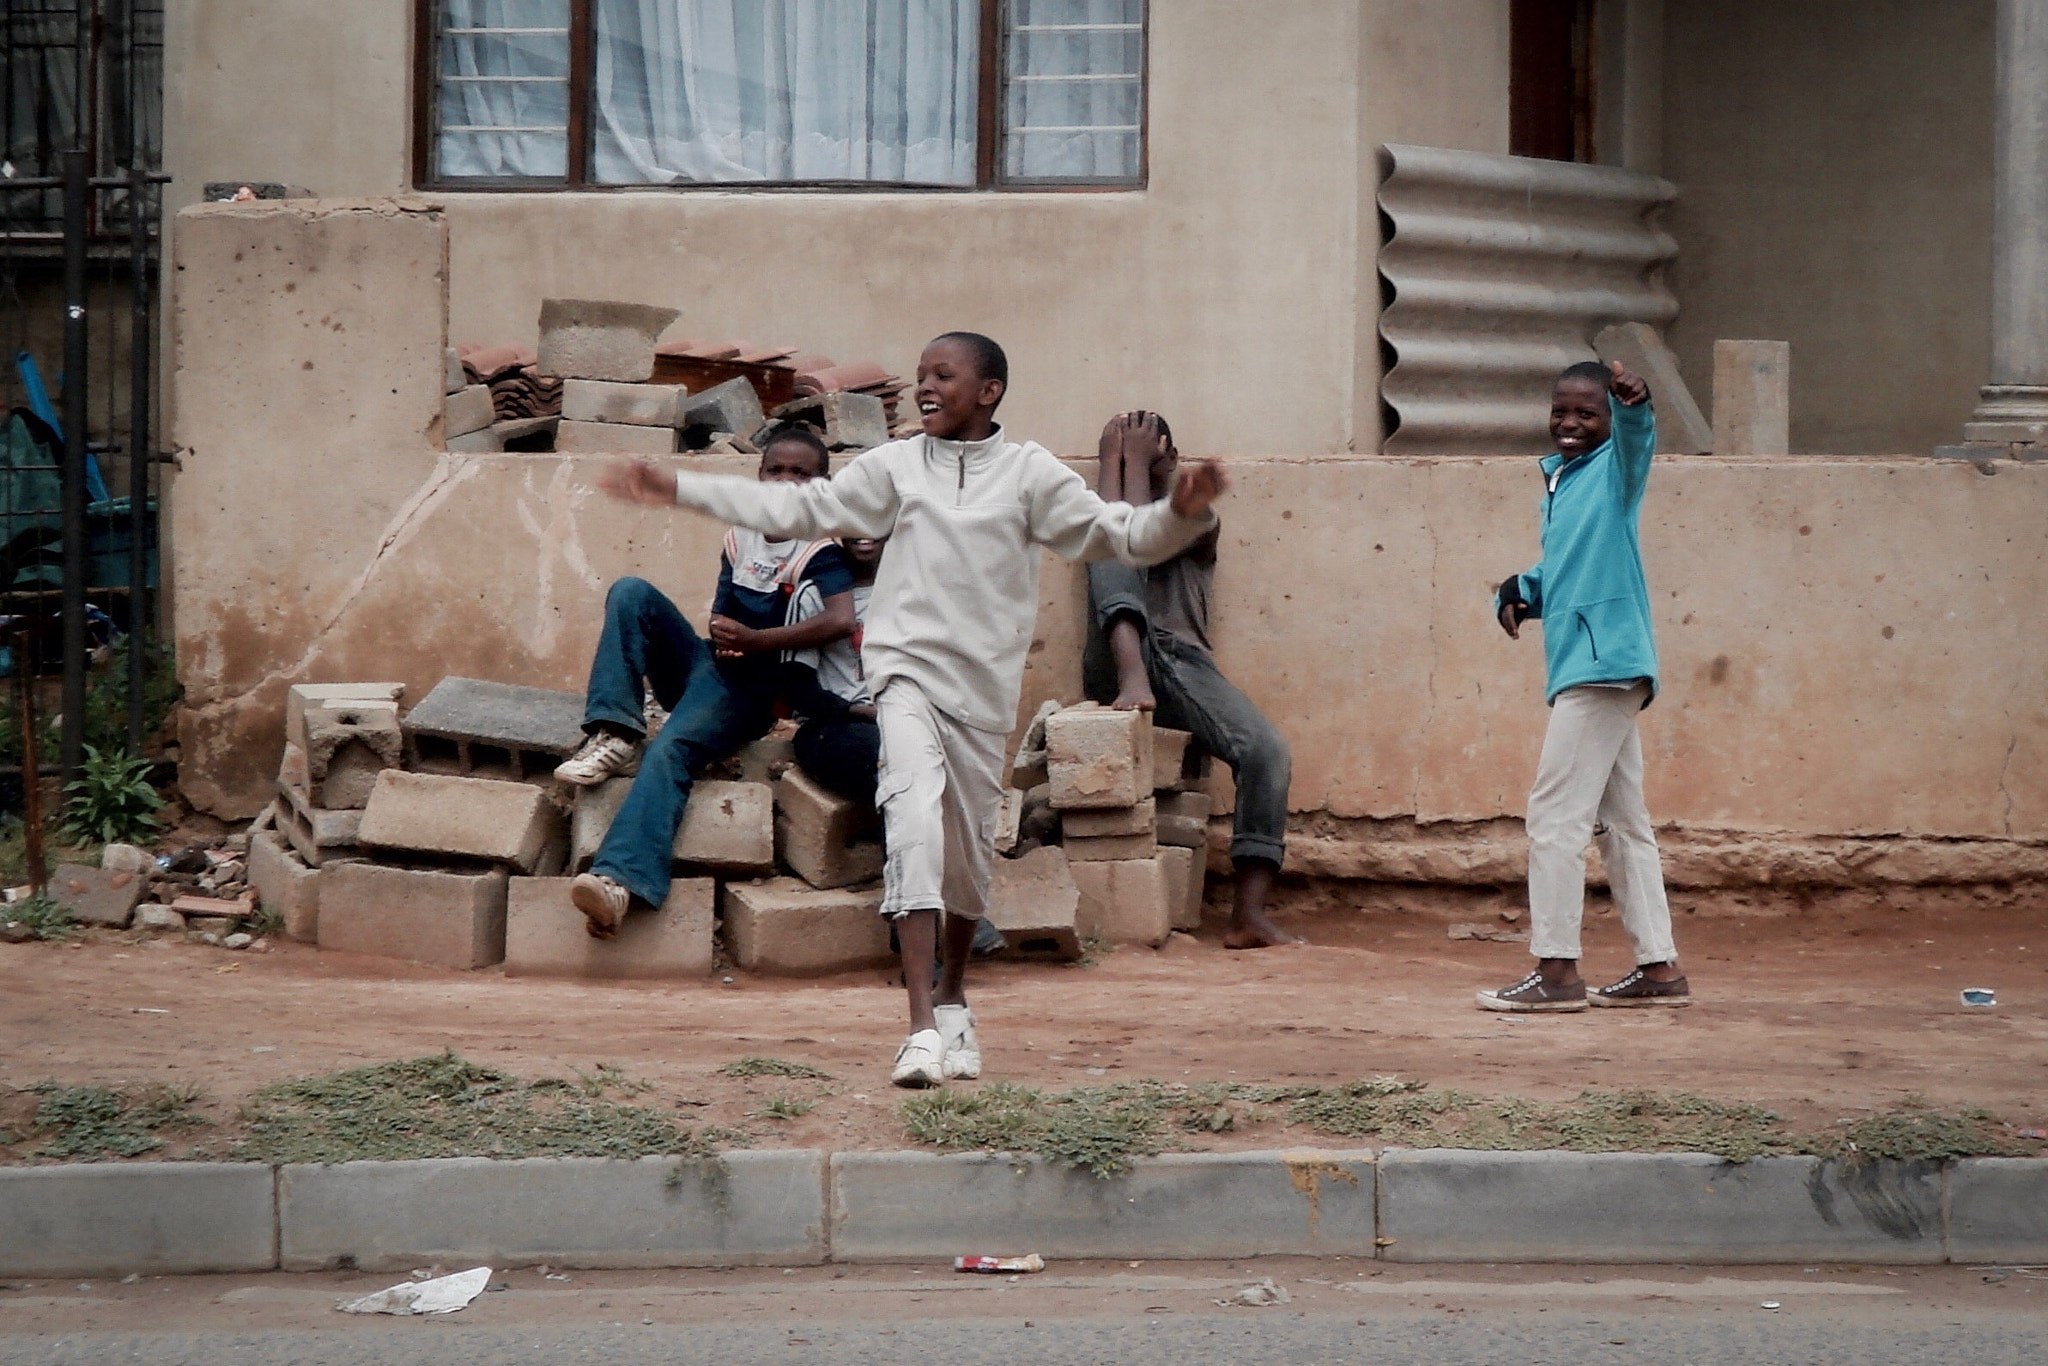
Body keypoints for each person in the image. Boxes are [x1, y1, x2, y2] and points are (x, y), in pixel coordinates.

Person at [599, 331, 1229, 1087]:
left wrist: (1181, 513)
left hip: (982, 695)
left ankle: (955, 998)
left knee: (965, 863)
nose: (925, 386)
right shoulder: (895, 467)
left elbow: (1117, 534)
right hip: (902, 675)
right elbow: (805, 507)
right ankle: (920, 1029)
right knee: (911, 822)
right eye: (922, 374)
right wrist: (680, 488)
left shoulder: (1030, 474)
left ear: (988, 391)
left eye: (943, 375)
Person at [560, 426, 856, 936]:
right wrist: (723, 635)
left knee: (671, 750)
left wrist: (756, 641)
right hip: (711, 666)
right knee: (631, 592)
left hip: (752, 693)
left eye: (800, 474)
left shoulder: (820, 551)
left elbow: (840, 620)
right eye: (775, 470)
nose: (785, 482)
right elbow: (722, 614)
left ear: (821, 486)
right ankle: (615, 731)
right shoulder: (740, 533)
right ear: (758, 476)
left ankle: (618, 881)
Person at [1477, 360, 1690, 1012]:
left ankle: (1557, 972)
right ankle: (1660, 970)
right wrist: (1521, 591)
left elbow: (1638, 438)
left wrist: (1635, 405)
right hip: (1599, 666)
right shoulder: (1562, 481)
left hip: (1602, 669)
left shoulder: (1616, 471)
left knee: (1554, 819)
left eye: (1587, 413)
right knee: (1621, 825)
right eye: (1561, 411)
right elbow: (1566, 564)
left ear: (1608, 418)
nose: (1570, 424)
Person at [1081, 411, 1299, 950]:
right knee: (1108, 538)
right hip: (1117, 658)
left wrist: (1139, 465)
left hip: (1183, 664)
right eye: (1131, 455)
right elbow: (1117, 530)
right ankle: (1134, 675)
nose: (1145, 463)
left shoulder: (1201, 521)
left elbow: (1151, 528)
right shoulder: (1100, 518)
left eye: (1156, 453)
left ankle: (1249, 914)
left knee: (1268, 751)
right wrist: (1116, 459)